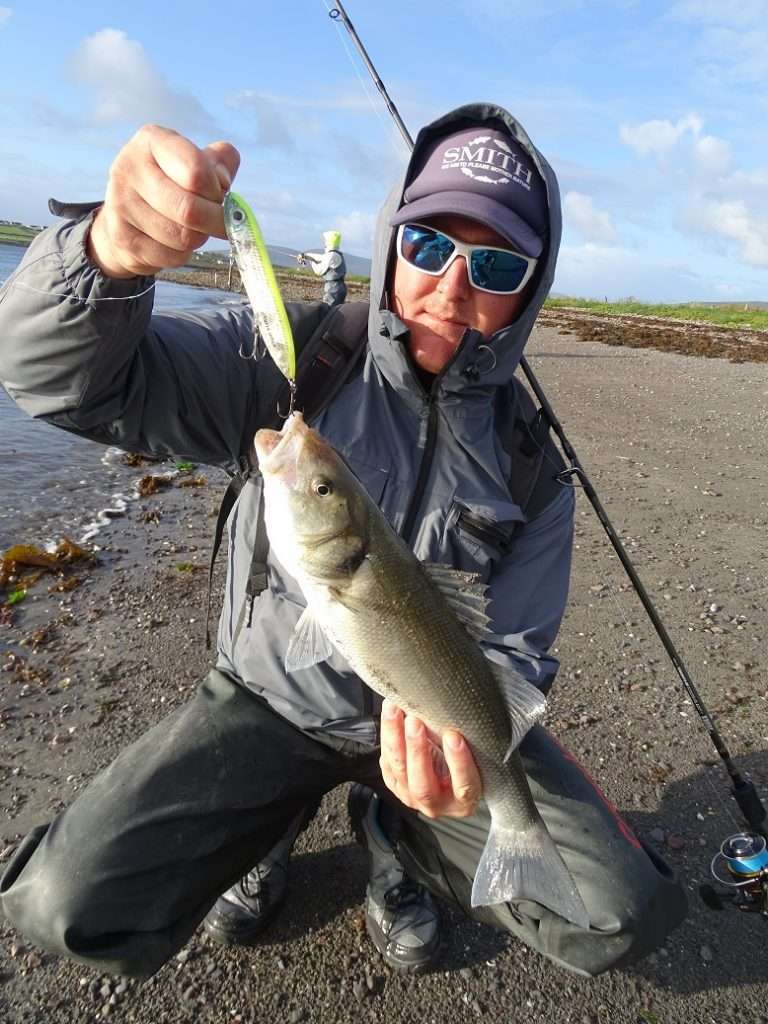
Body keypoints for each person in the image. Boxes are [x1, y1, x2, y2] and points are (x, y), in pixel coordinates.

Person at [0, 104, 687, 980]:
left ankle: (398, 829)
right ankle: (269, 818)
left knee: (617, 917)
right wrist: (105, 258)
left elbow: (515, 653)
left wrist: (464, 775)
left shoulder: (533, 467)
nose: (448, 284)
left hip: (435, 723)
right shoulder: (292, 360)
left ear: (532, 287)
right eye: (428, 245)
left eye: (497, 263)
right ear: (391, 239)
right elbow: (63, 383)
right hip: (271, 702)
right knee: (67, 909)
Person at [296, 229, 347, 306]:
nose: (324, 242)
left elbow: (319, 271)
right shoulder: (334, 254)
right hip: (337, 287)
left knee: (329, 310)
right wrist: (305, 255)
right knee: (334, 311)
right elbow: (321, 257)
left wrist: (311, 260)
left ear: (329, 242)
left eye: (325, 240)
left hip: (334, 288)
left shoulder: (332, 255)